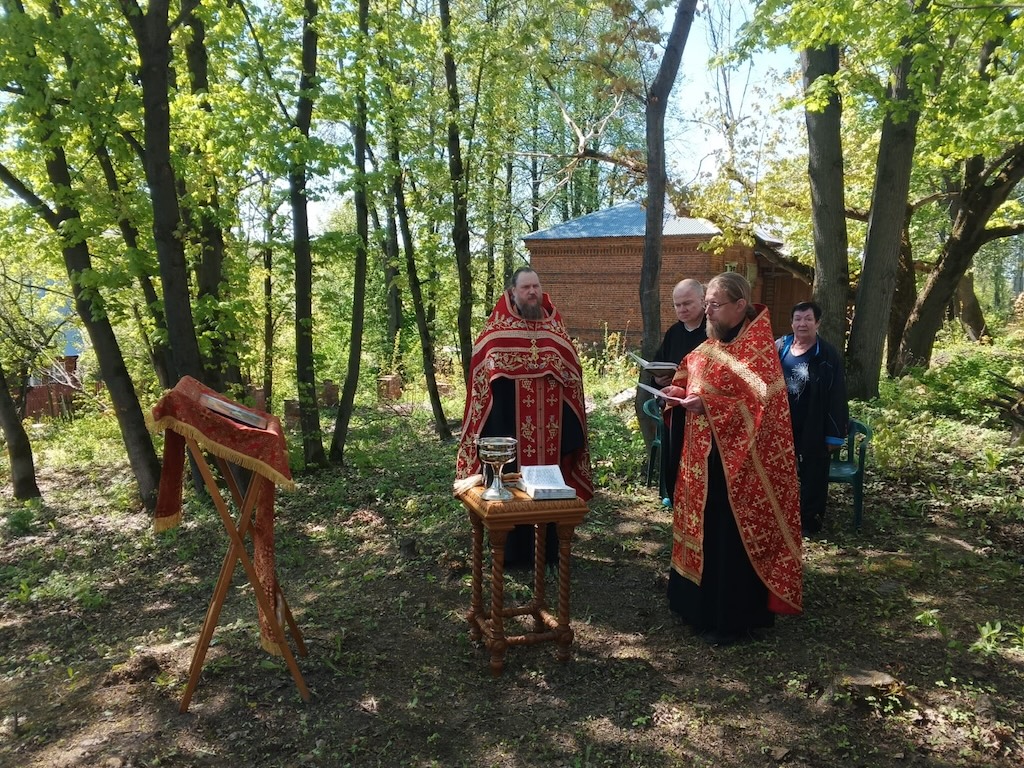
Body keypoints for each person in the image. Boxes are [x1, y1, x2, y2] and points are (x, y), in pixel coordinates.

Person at [660, 272, 802, 645]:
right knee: (701, 530)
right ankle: (694, 608)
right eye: (706, 303)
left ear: (740, 305)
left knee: (726, 539)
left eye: (715, 304)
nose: (707, 311)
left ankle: (730, 619)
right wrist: (677, 392)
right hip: (699, 462)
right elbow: (690, 376)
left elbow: (761, 408)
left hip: (740, 470)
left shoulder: (758, 353)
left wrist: (708, 406)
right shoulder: (709, 347)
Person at [455, 267, 593, 565]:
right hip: (507, 426)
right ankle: (511, 555)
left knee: (552, 483)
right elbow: (481, 378)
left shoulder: (554, 329)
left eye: (536, 286)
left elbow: (572, 375)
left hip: (551, 431)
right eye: (526, 287)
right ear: (513, 292)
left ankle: (549, 555)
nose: (532, 292)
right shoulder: (496, 332)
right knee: (508, 485)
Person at [776, 301, 849, 535]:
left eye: (808, 319)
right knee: (778, 471)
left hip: (814, 423)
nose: (802, 323)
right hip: (781, 424)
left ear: (817, 323)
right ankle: (779, 517)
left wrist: (834, 435)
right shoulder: (779, 347)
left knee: (814, 474)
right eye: (797, 319)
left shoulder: (827, 355)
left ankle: (809, 522)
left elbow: (837, 395)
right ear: (791, 323)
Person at [649, 279, 707, 500]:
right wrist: (659, 379)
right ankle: (674, 497)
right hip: (673, 410)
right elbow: (659, 365)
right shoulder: (674, 332)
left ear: (702, 301)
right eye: (677, 305)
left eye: (687, 303)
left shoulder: (712, 331)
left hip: (700, 410)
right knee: (674, 456)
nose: (682, 309)